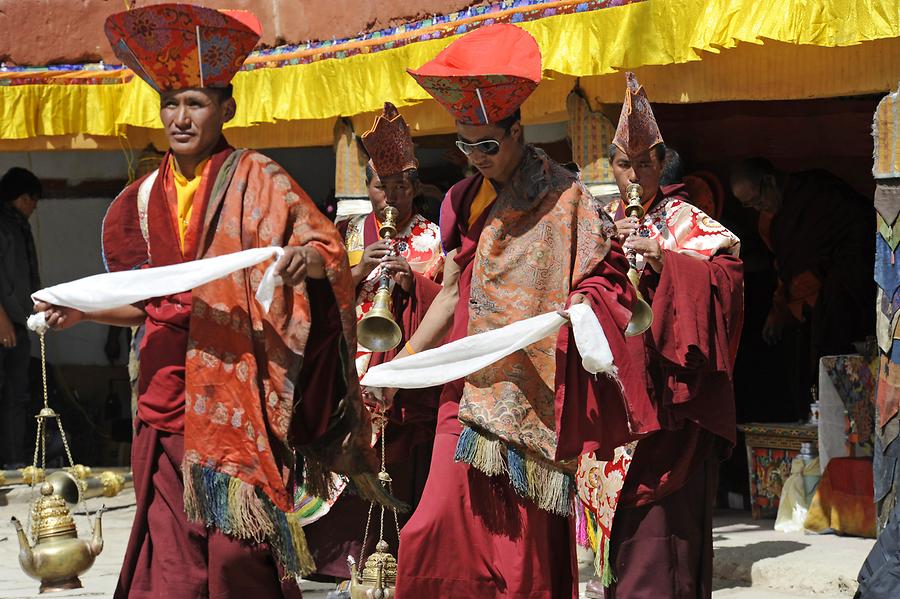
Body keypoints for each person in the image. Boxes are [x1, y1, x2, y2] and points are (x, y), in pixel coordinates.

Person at [36, 5, 380, 598]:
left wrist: (307, 263)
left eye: (195, 103)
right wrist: (84, 312)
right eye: (170, 103)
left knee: (234, 561)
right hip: (164, 397)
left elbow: (329, 251)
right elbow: (146, 303)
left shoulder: (259, 179)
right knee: (172, 567)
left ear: (227, 108)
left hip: (234, 402)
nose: (180, 118)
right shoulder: (140, 201)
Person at [389, 24, 643, 598]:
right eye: (463, 145)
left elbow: (605, 279)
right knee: (433, 525)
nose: (475, 158)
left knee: (520, 549)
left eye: (487, 145)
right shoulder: (458, 201)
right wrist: (399, 367)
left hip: (533, 394)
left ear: (517, 131)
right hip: (467, 387)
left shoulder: (565, 197)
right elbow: (453, 291)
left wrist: (584, 304)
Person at [580, 73, 743, 599]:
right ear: (613, 166)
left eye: (645, 162)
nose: (635, 174)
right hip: (612, 399)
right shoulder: (597, 224)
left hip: (671, 403)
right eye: (625, 164)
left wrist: (668, 264)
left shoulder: (687, 222)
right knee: (622, 543)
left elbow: (728, 284)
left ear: (661, 161)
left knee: (664, 539)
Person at [303, 103, 443, 599]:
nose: (393, 195)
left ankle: (393, 557)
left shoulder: (434, 236)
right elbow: (317, 298)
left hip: (402, 367)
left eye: (403, 184)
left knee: (400, 461)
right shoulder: (345, 237)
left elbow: (450, 300)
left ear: (416, 186)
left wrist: (415, 282)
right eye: (383, 185)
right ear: (368, 187)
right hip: (351, 369)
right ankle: (337, 559)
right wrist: (359, 273)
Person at [730, 157, 874, 419]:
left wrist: (828, 273)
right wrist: (778, 311)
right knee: (804, 377)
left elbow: (860, 225)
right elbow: (784, 267)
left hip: (840, 297)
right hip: (805, 310)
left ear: (769, 181)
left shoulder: (817, 193)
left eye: (757, 200)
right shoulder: (769, 222)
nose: (757, 208)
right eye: (749, 206)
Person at [0, 167, 41, 468]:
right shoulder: (3, 224)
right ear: (23, 198)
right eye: (33, 201)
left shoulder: (18, 226)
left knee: (17, 394)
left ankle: (13, 461)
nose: (34, 208)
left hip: (18, 320)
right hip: (4, 322)